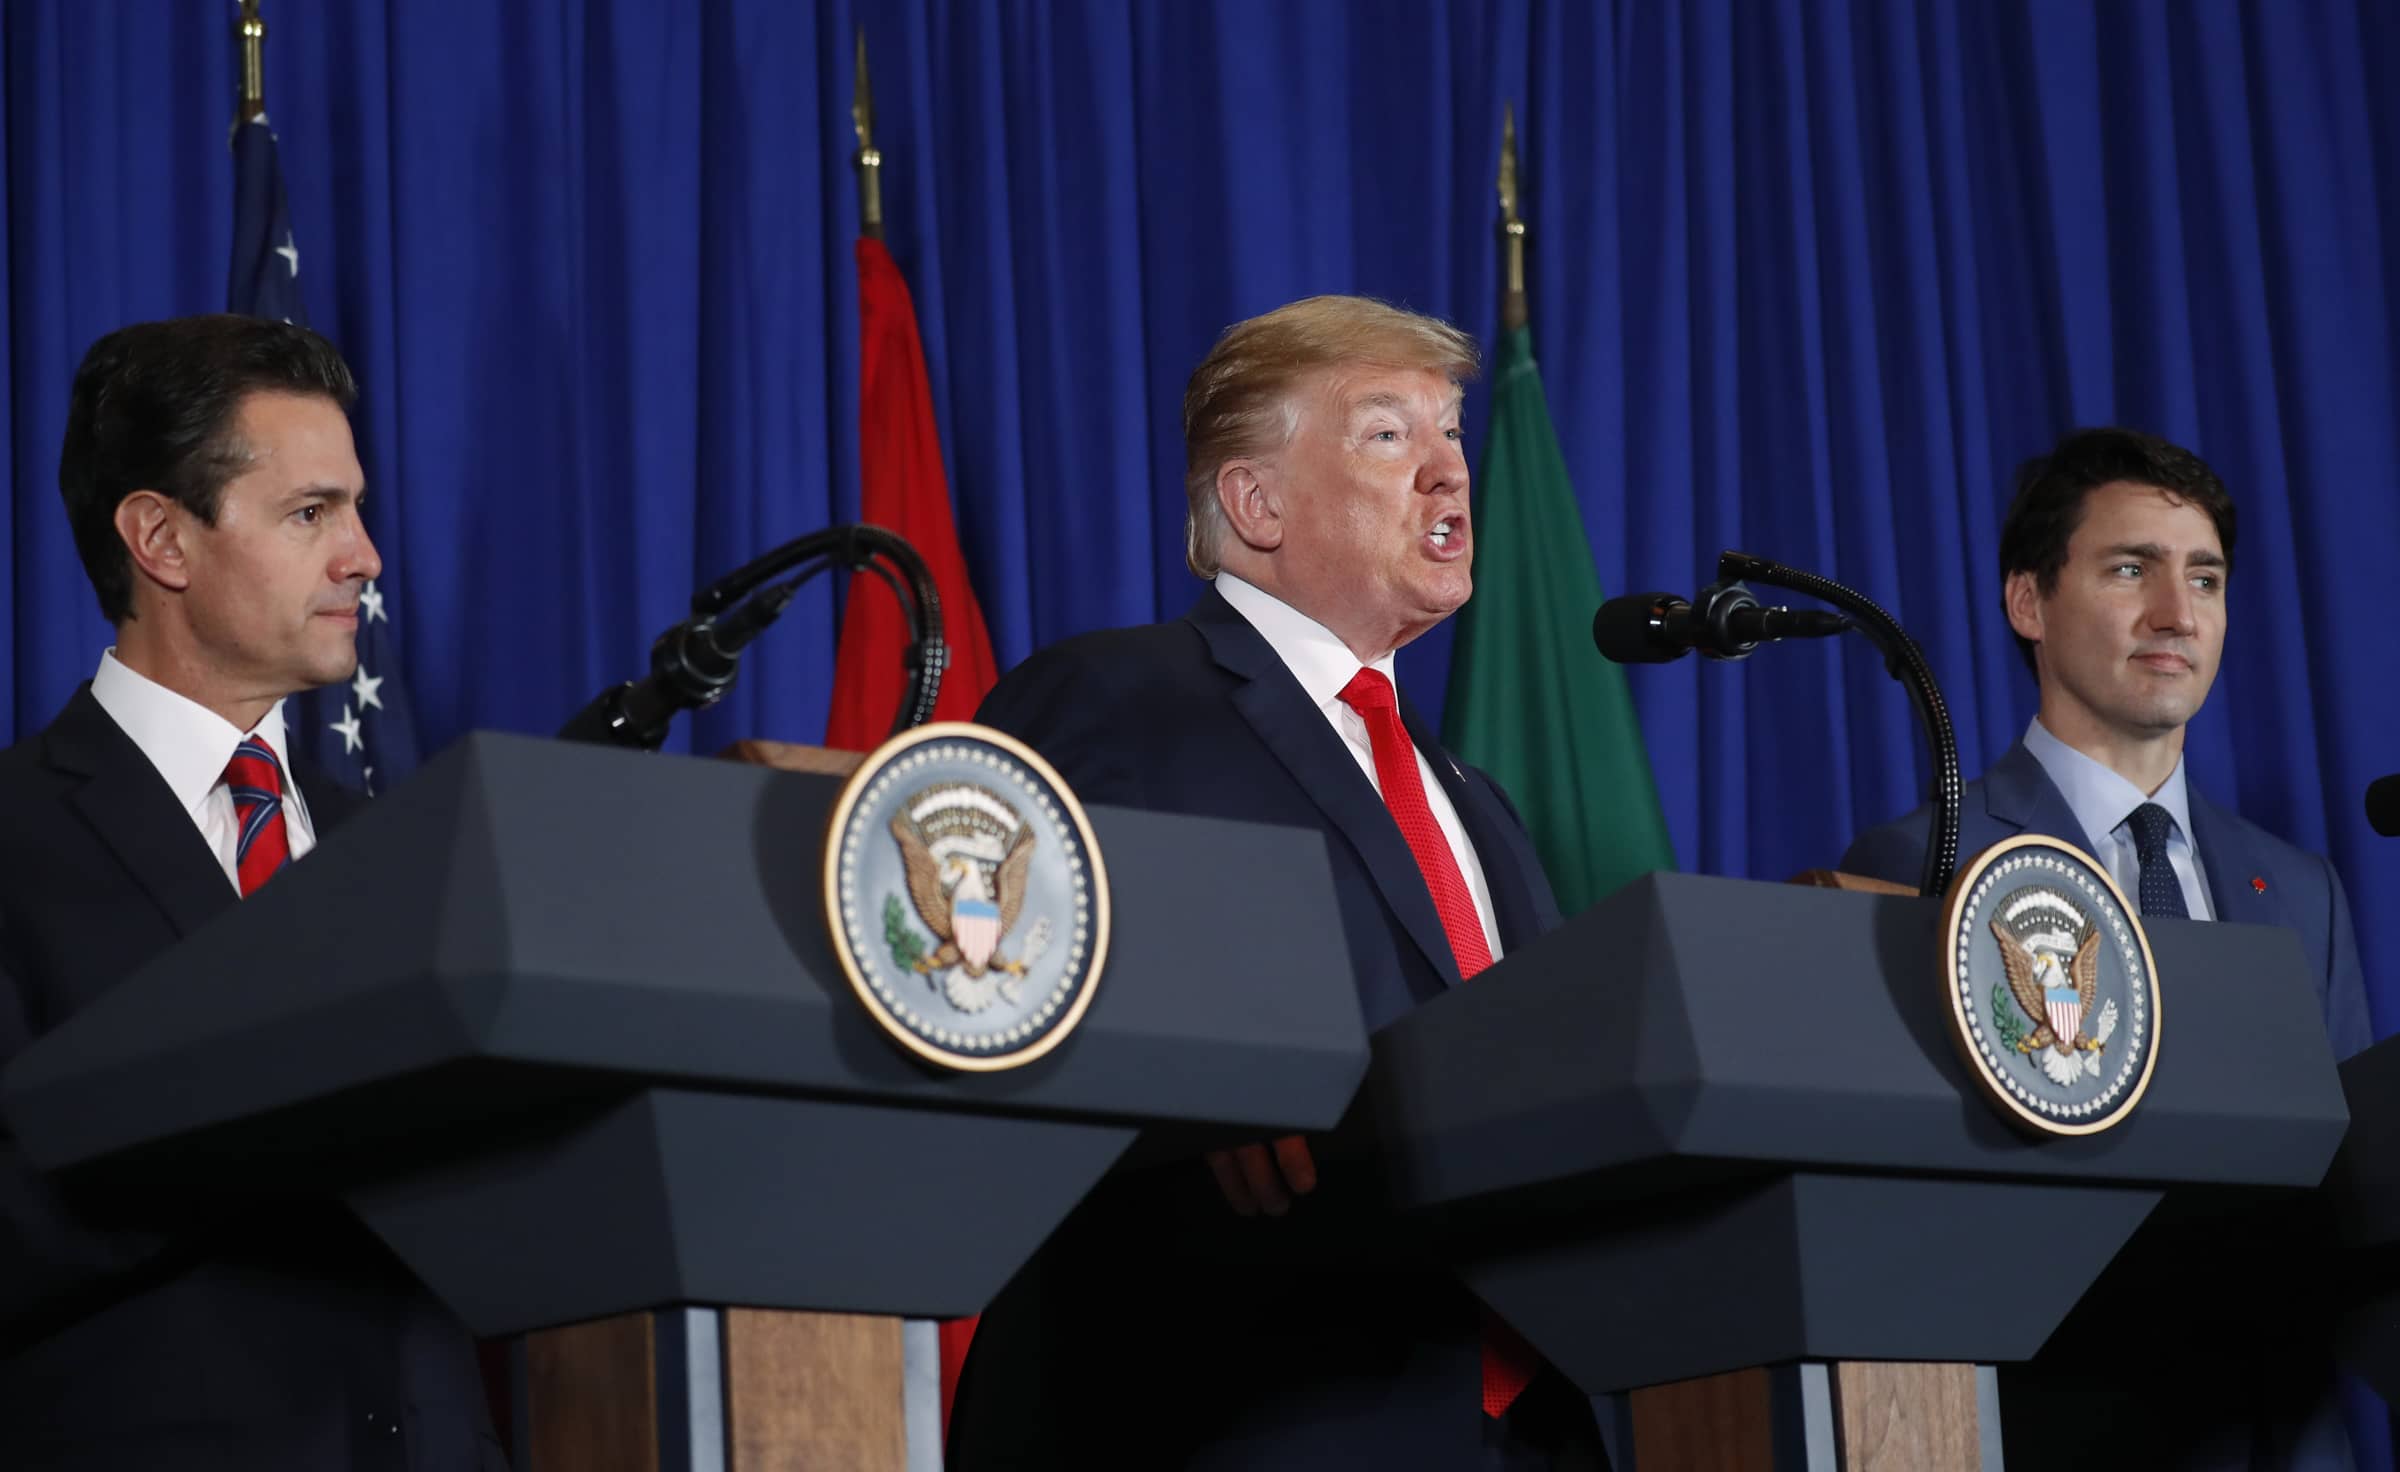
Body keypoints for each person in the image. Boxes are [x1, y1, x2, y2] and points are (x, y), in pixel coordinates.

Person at [946, 296, 1605, 1470]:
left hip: (1514, 1430)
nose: (1452, 473)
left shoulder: (1478, 802)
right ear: (1255, 503)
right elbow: (989, 976)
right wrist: (1189, 1083)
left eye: (1454, 434)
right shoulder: (1115, 698)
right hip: (1235, 1409)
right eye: (1391, 436)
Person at [0, 316, 505, 1470]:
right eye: (312, 512)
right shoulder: (13, 837)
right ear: (161, 539)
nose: (366, 556)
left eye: (356, 508)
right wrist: (261, 1105)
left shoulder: (401, 848)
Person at [1841, 425, 2373, 1470]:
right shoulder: (1923, 861)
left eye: (2206, 578)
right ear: (2028, 602)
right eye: (2132, 568)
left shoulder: (2299, 889)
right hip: (2061, 1424)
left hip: (2288, 1432)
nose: (2178, 614)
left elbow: (2351, 1183)